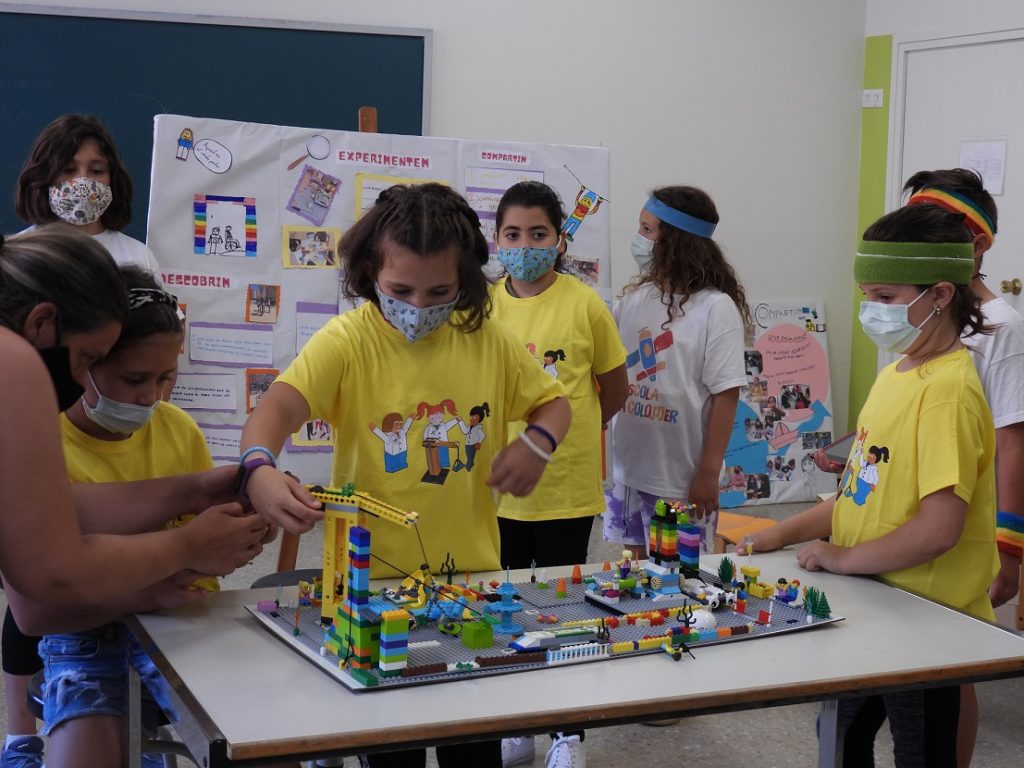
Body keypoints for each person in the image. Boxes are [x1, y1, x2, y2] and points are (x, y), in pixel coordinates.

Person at [238, 183, 571, 768]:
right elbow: (277, 408)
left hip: (471, 584)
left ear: (466, 278)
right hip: (371, 589)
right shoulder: (348, 340)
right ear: (371, 273)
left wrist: (537, 444)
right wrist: (258, 468)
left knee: (474, 746)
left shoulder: (488, 341)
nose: (419, 306)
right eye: (400, 291)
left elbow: (554, 404)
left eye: (440, 291)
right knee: (393, 749)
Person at [0, 228, 268, 765]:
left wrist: (197, 489)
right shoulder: (14, 364)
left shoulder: (174, 428)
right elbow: (45, 583)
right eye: (88, 361)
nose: (79, 382)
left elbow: (52, 510)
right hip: (85, 634)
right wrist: (188, 548)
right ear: (41, 324)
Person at [743, 203, 998, 768]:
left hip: (925, 619)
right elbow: (858, 495)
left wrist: (843, 558)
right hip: (873, 603)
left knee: (921, 750)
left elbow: (939, 529)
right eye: (865, 296)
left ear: (940, 295)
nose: (871, 311)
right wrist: (776, 535)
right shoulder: (896, 374)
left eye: (884, 296)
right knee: (838, 734)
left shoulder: (948, 392)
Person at [486, 181, 627, 767]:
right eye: (513, 234)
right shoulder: (482, 306)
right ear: (497, 240)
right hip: (498, 490)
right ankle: (517, 721)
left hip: (566, 486)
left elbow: (613, 390)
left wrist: (571, 436)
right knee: (506, 606)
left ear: (560, 240)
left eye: (538, 234)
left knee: (564, 608)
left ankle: (568, 733)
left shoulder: (585, 304)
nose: (525, 246)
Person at [606, 186, 750, 560]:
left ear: (676, 241)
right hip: (630, 470)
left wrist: (708, 472)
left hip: (681, 479)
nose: (639, 240)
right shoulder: (633, 300)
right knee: (635, 569)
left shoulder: (716, 309)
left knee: (678, 574)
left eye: (647, 230)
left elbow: (726, 395)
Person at [15, 114, 162, 278]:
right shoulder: (17, 256)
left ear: (112, 179)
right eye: (69, 170)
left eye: (96, 171)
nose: (83, 181)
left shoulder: (138, 257)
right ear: (44, 176)